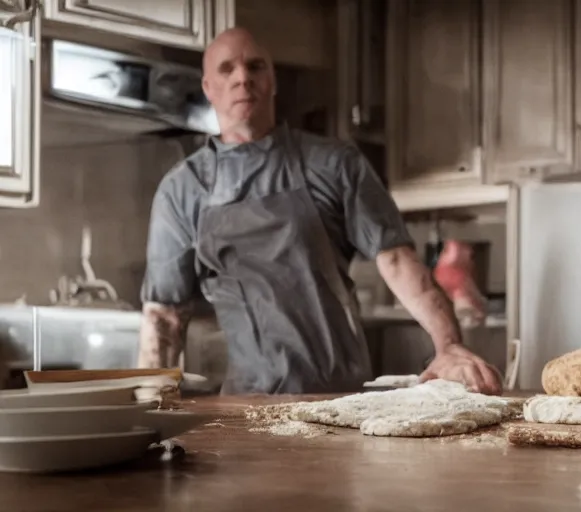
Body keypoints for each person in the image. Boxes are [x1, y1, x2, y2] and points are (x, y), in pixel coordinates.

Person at [136, 28, 502, 396]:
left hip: (339, 395)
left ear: (272, 80)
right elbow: (165, 315)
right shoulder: (183, 190)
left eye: (255, 66)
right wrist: (152, 414)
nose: (242, 78)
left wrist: (448, 344)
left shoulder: (334, 163)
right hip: (245, 404)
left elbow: (396, 259)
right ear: (208, 88)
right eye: (226, 69)